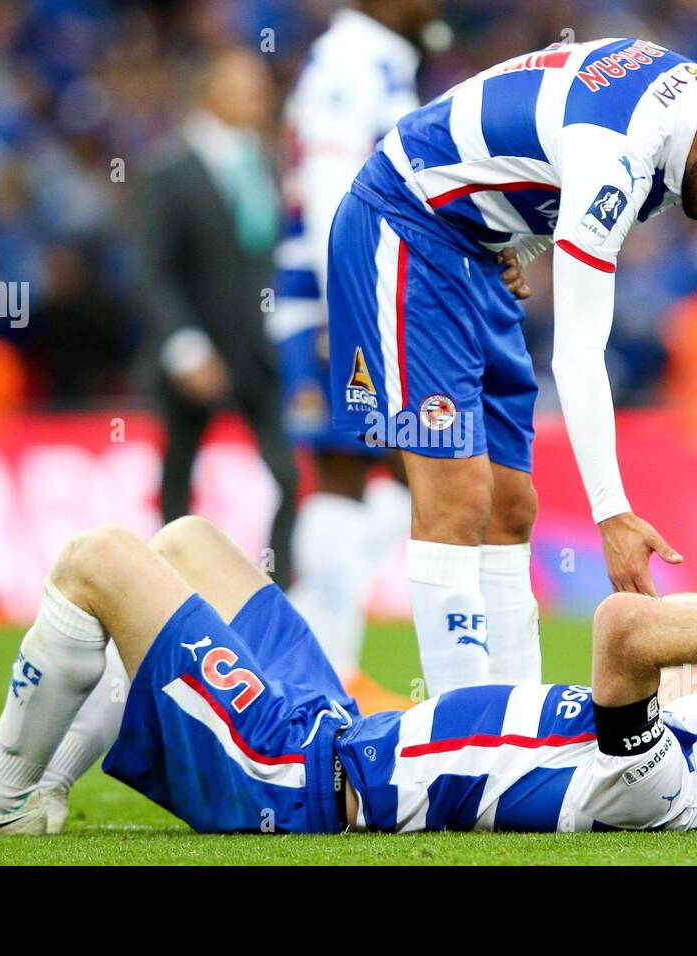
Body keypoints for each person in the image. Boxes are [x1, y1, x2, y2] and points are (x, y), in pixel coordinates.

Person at [325, 38, 697, 695]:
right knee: (457, 500)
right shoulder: (623, 149)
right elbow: (575, 351)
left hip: (477, 243)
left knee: (511, 507)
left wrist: (518, 236)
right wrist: (613, 513)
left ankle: (518, 725)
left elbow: (544, 141)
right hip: (408, 223)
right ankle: (463, 744)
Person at [0, 517, 697, 837]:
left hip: (294, 774)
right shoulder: (695, 744)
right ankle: (43, 794)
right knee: (185, 543)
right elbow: (675, 639)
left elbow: (626, 624)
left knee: (98, 558)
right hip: (336, 725)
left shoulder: (659, 787)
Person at [271, 1, 438, 712]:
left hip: (366, 297)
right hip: (340, 302)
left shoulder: (376, 61)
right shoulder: (351, 61)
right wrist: (347, 303)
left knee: (395, 477)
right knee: (361, 470)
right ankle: (325, 673)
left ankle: (311, 661)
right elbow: (329, 182)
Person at [134, 45, 297, 588]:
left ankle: (278, 600)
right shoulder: (169, 172)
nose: (262, 96)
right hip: (195, 356)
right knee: (179, 485)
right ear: (213, 94)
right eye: (248, 86)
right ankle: (171, 604)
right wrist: (186, 347)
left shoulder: (267, 165)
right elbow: (151, 273)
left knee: (290, 478)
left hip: (261, 352)